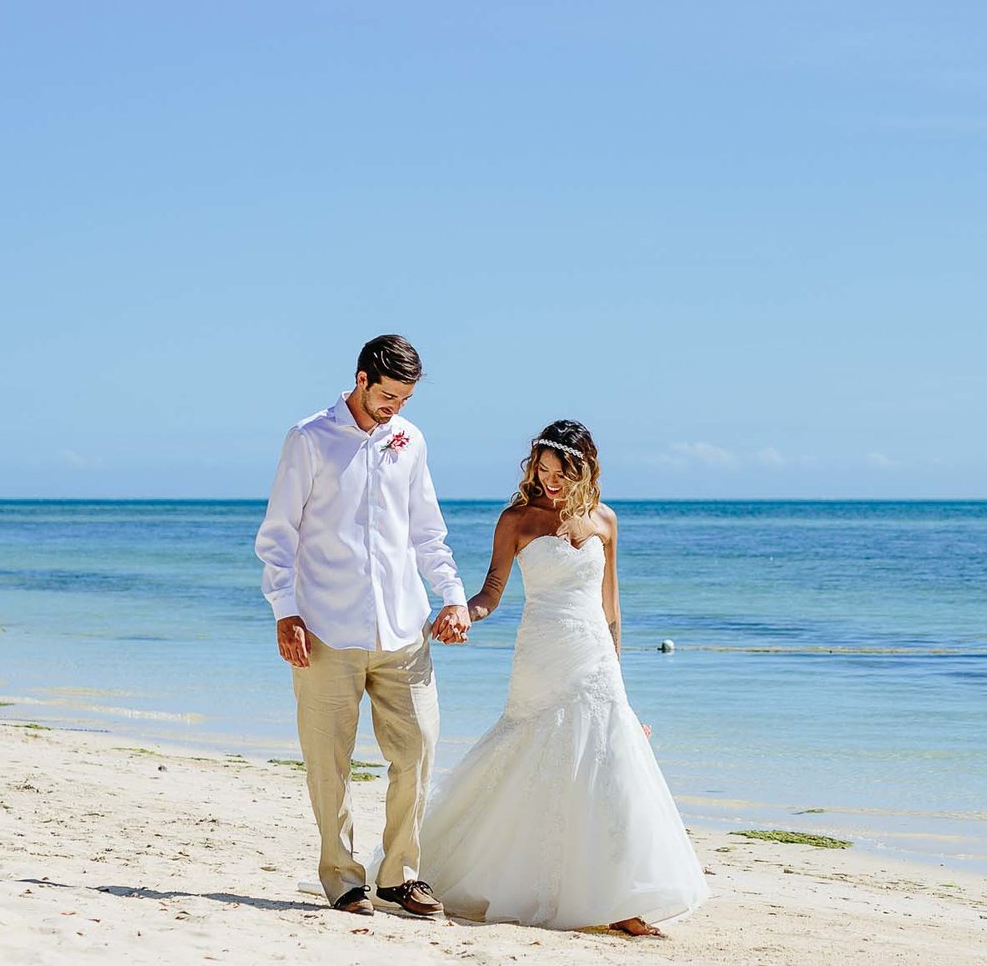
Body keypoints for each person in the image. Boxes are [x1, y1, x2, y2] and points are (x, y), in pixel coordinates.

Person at [416, 420, 708, 935]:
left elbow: (612, 610)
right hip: (541, 653)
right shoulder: (517, 520)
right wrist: (463, 613)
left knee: (609, 767)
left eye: (561, 472)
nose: (549, 480)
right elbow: (491, 592)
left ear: (585, 470)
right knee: (533, 758)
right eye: (543, 469)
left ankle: (619, 901)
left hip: (595, 655)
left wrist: (621, 684)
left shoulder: (605, 522)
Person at [254, 334, 472, 916]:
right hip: (326, 627)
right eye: (386, 397)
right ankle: (344, 877)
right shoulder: (309, 438)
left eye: (403, 400)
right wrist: (286, 612)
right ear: (360, 378)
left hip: (403, 626)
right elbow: (279, 538)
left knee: (421, 747)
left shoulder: (411, 441)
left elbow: (427, 530)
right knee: (329, 759)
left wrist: (451, 595)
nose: (393, 409)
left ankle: (401, 873)